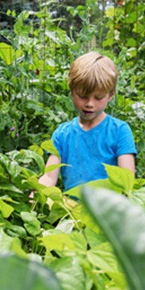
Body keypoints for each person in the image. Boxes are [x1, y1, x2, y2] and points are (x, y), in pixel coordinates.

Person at [38, 51, 136, 191]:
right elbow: (49, 177)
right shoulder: (62, 134)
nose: (90, 103)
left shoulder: (119, 131)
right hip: (71, 209)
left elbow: (127, 181)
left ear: (110, 95)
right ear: (72, 91)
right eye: (83, 96)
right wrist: (36, 195)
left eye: (98, 97)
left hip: (107, 207)